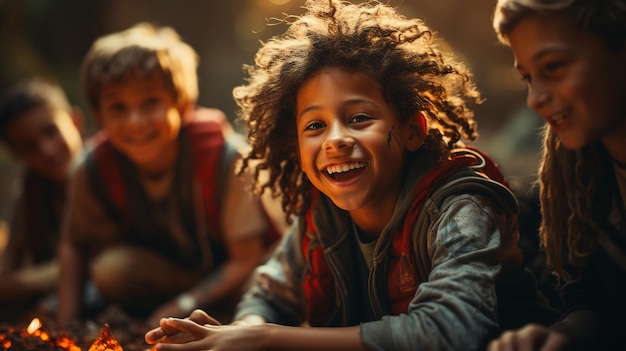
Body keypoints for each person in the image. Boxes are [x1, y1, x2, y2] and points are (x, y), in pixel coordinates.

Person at [145, 1, 558, 350]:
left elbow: (451, 330)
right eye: (314, 126)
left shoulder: (458, 206)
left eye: (359, 118)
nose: (335, 140)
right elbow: (269, 292)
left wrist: (267, 338)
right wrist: (243, 330)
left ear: (413, 130)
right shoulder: (320, 213)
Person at [57, 22, 283, 328]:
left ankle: (231, 325)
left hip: (233, 275)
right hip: (167, 273)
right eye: (118, 107)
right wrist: (67, 321)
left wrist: (179, 305)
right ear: (99, 116)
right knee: (110, 270)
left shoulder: (226, 158)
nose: (135, 122)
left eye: (151, 102)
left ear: (183, 105)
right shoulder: (91, 167)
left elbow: (245, 259)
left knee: (264, 283)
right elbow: (74, 244)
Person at [488, 0, 626, 350]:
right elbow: (592, 299)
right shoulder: (578, 182)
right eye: (528, 78)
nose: (535, 99)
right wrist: (561, 336)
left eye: (554, 66)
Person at [0, 77, 84, 320]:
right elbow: (12, 261)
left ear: (75, 121)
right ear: (17, 154)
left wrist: (21, 283)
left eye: (51, 132)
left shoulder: (106, 173)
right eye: (29, 147)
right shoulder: (28, 193)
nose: (46, 151)